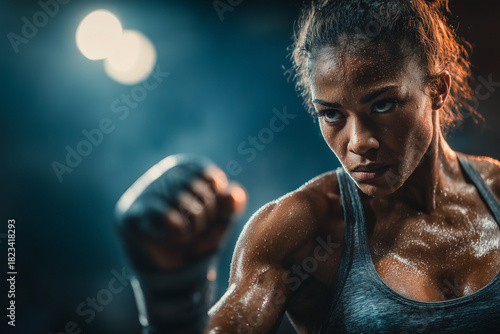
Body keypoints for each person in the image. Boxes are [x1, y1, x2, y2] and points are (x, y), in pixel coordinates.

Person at [115, 0, 500, 333]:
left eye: (382, 105)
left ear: (437, 90)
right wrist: (172, 300)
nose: (358, 142)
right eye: (332, 114)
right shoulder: (300, 228)